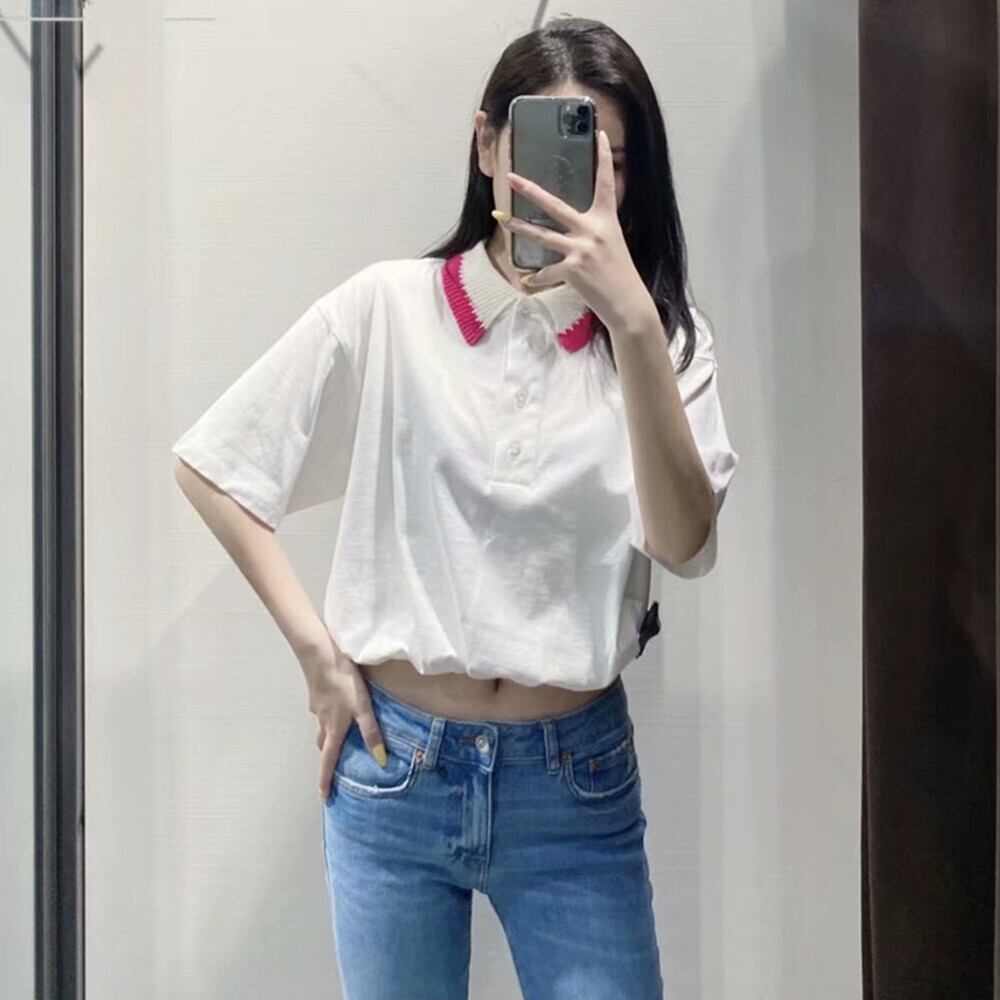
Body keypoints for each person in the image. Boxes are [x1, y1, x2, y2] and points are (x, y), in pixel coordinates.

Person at [171, 15, 738, 1000]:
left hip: (574, 781)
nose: (578, 186)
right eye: (555, 149)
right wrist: (318, 657)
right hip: (395, 769)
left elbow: (684, 544)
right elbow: (216, 465)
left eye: (608, 164)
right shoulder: (391, 308)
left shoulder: (664, 339)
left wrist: (634, 324)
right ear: (487, 146)